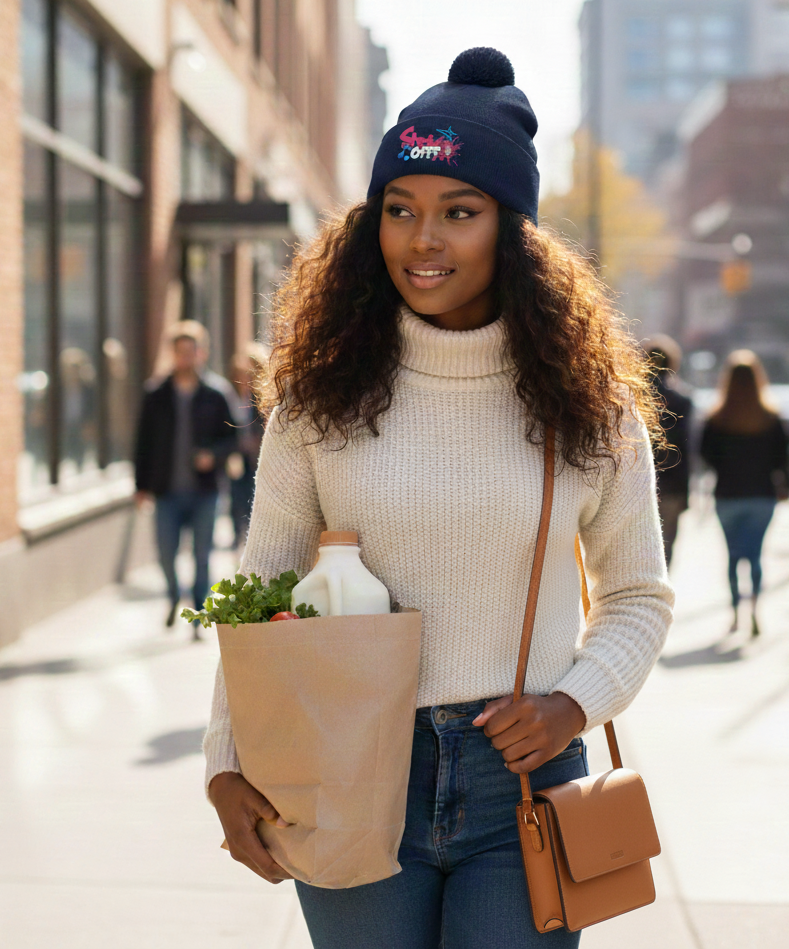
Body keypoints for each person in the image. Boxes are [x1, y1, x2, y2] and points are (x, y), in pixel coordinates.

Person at [202, 47, 674, 948]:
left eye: (460, 212)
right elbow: (262, 589)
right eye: (400, 210)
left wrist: (574, 704)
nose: (425, 240)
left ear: (513, 230)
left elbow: (638, 596)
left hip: (524, 780)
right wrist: (227, 763)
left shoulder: (589, 408)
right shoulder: (319, 401)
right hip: (340, 765)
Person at [134, 320, 236, 637]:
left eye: (191, 352)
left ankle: (198, 617)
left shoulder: (216, 394)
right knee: (166, 554)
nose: (185, 358)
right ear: (173, 355)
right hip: (166, 491)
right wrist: (140, 487)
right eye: (179, 352)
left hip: (205, 492)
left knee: (202, 556)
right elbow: (142, 443)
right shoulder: (156, 394)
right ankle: (174, 594)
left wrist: (213, 456)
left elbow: (234, 438)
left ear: (201, 353)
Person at [700, 350, 789, 637]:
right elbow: (783, 458)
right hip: (761, 495)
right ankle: (755, 611)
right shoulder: (771, 418)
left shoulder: (717, 418)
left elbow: (706, 454)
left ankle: (735, 613)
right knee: (755, 555)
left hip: (727, 494)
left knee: (733, 555)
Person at [642, 335, 694, 566]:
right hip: (672, 483)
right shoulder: (682, 400)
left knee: (638, 546)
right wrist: (686, 492)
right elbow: (686, 449)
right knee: (666, 546)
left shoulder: (630, 396)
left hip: (637, 482)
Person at [227, 342, 269, 550]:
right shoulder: (232, 395)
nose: (244, 377)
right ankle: (239, 536)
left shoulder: (264, 398)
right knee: (237, 497)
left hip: (260, 457)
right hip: (239, 456)